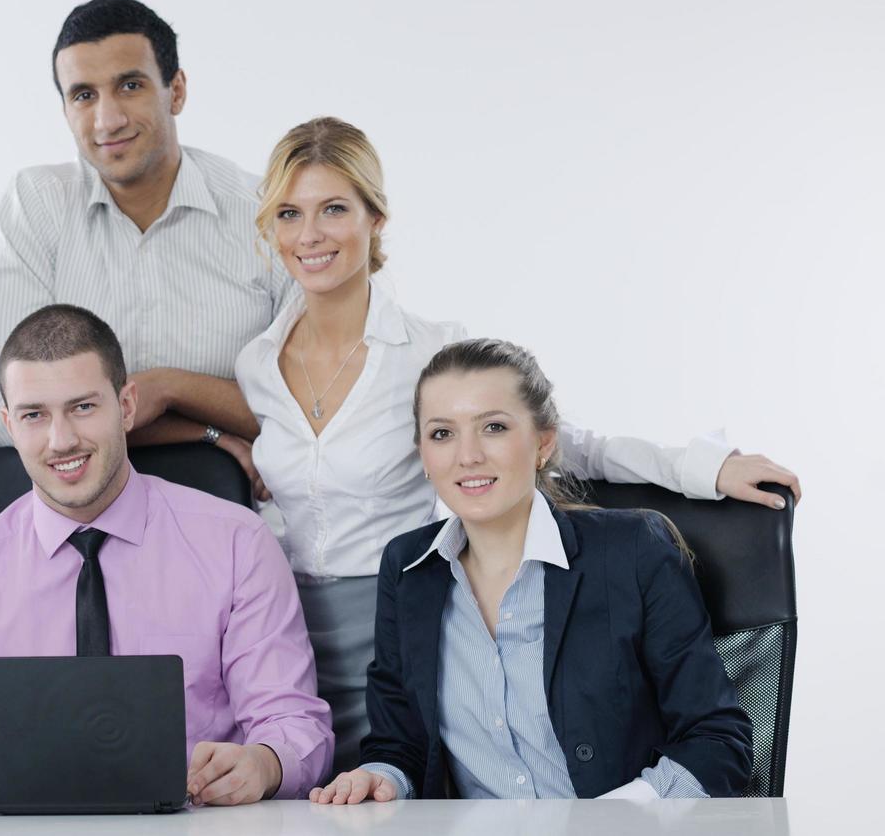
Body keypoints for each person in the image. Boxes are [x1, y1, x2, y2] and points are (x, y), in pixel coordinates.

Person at [234, 117, 801, 773]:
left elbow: (559, 439)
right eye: (289, 213)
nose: (309, 235)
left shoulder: (427, 349)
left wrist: (704, 467)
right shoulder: (256, 361)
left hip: (393, 623)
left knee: (395, 789)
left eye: (334, 208)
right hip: (282, 635)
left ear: (376, 218)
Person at [0, 305, 333, 807]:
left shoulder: (238, 544)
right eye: (34, 415)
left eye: (83, 407)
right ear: (8, 425)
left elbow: (295, 725)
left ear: (126, 407)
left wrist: (264, 763)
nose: (61, 440)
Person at [310, 338, 752, 802]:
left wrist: (620, 817)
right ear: (422, 452)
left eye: (494, 427)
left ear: (544, 442)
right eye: (442, 433)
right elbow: (400, 743)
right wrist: (381, 776)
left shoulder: (634, 551)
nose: (468, 456)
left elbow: (718, 739)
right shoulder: (408, 568)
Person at [0, 0, 290, 484]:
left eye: (130, 85)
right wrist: (201, 433)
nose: (107, 119)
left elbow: (308, 411)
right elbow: (1, 410)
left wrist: (169, 387)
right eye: (83, 95)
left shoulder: (264, 212)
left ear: (176, 91)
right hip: (81, 528)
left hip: (248, 520)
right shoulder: (35, 206)